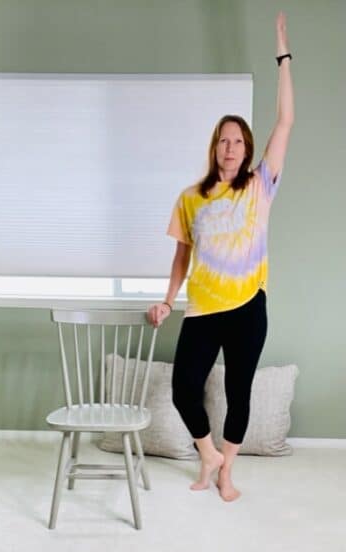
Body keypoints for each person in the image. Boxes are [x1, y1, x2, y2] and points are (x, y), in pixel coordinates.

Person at [147, 12, 294, 502]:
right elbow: (180, 258)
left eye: (238, 140)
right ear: (214, 148)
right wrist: (168, 300)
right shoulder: (191, 197)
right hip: (204, 309)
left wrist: (282, 53)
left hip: (248, 306)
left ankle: (224, 471)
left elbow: (286, 120)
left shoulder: (258, 187)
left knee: (239, 393)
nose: (230, 146)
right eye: (223, 140)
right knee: (183, 388)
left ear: (246, 148)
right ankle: (207, 454)